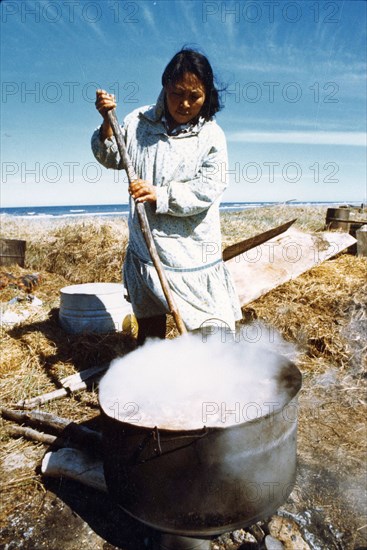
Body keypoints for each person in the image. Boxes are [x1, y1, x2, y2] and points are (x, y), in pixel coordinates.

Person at [92, 48, 242, 344]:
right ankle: (153, 380)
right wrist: (107, 123)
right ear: (165, 86)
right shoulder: (138, 123)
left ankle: (213, 383)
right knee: (150, 332)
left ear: (207, 95)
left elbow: (207, 189)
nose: (184, 104)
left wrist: (159, 194)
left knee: (209, 333)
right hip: (147, 249)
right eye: (177, 93)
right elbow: (112, 157)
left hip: (191, 251)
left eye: (195, 96)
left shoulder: (211, 136)